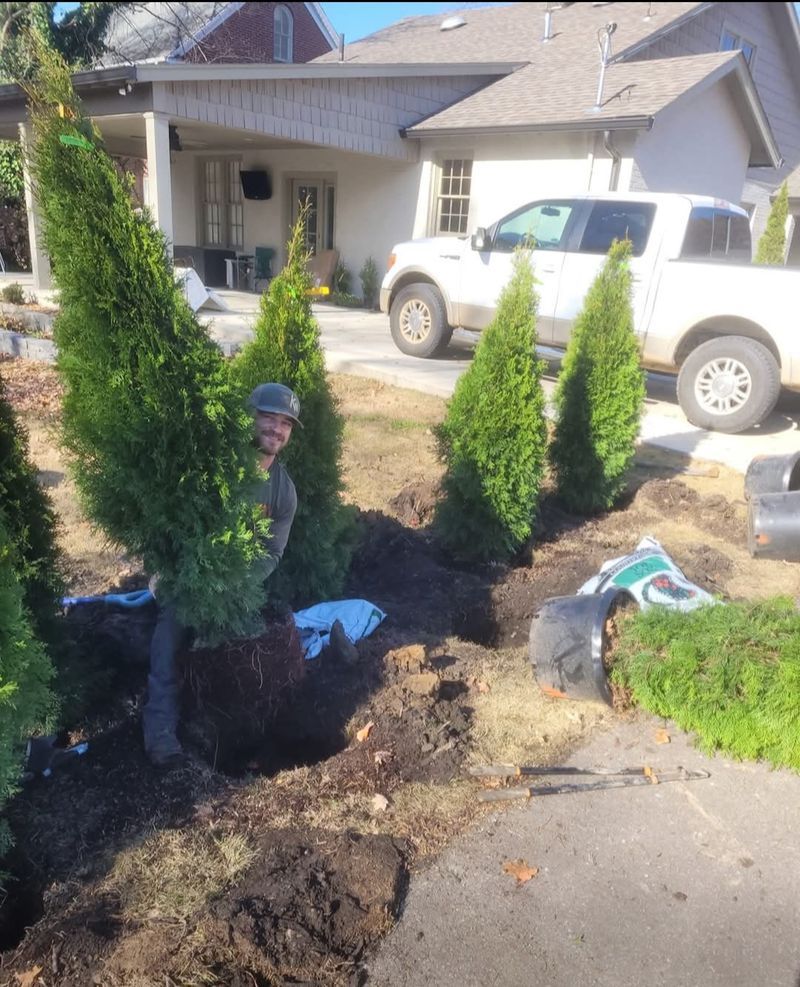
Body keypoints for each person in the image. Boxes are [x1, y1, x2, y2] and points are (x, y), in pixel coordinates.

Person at [143, 382, 301, 768]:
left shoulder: (283, 492)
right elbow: (168, 525)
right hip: (185, 579)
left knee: (255, 646)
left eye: (285, 423)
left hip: (235, 588)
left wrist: (236, 584)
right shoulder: (212, 467)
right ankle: (160, 731)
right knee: (172, 632)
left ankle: (233, 740)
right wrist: (176, 576)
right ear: (249, 417)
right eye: (268, 417)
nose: (276, 429)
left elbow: (272, 552)